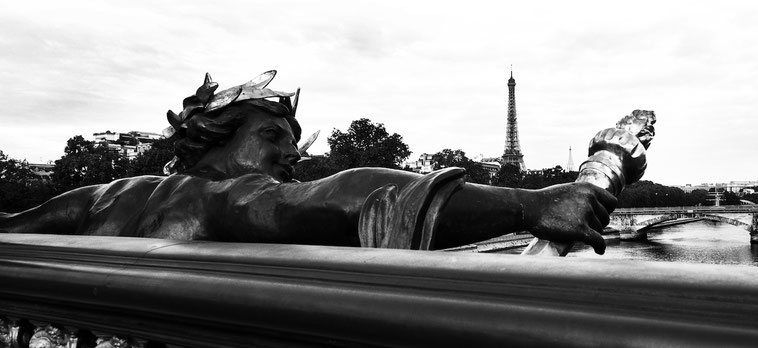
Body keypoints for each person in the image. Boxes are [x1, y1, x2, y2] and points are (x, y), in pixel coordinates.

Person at [0, 71, 615, 253]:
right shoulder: (222, 195)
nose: (292, 154)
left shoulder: (105, 196)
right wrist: (530, 203)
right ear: (215, 137)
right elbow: (349, 195)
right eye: (272, 136)